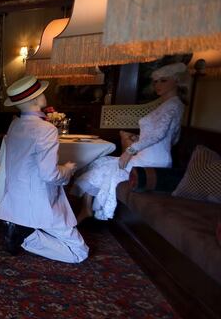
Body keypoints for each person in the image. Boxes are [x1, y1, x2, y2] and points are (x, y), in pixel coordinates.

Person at [72, 62, 186, 222]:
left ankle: (85, 209)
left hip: (152, 161)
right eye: (155, 81)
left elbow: (159, 135)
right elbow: (171, 137)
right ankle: (86, 208)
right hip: (146, 156)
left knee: (105, 167)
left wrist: (130, 151)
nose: (158, 85)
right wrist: (138, 140)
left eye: (163, 80)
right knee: (100, 163)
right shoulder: (167, 105)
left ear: (176, 80)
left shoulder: (173, 105)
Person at [0, 75, 88, 263]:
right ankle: (26, 236)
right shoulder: (45, 129)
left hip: (16, 196)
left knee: (64, 235)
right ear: (35, 100)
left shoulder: (15, 124)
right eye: (41, 92)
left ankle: (21, 229)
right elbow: (50, 174)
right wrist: (67, 169)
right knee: (80, 253)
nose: (44, 94)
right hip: (40, 199)